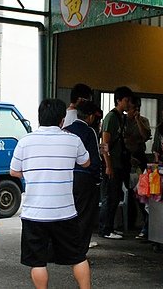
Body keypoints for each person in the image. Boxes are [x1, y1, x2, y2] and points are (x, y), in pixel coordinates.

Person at [10, 98, 91, 289]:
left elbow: (14, 171)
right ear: (62, 120)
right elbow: (86, 162)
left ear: (39, 118)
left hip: (34, 214)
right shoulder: (73, 139)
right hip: (65, 213)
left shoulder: (25, 141)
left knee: (38, 262)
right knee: (78, 257)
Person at [64, 100, 102, 255]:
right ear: (91, 117)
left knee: (68, 214)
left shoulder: (66, 130)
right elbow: (94, 159)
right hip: (84, 179)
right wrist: (97, 179)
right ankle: (79, 253)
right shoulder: (89, 131)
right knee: (84, 216)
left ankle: (64, 249)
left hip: (67, 178)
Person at [99, 86, 133, 240]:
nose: (128, 103)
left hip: (119, 163)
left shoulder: (121, 118)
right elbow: (105, 143)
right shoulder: (111, 117)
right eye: (126, 100)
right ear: (119, 100)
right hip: (112, 164)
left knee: (114, 197)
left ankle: (109, 227)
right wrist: (108, 165)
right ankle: (105, 229)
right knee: (110, 198)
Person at [124, 96, 151, 239]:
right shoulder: (122, 121)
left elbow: (145, 136)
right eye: (133, 108)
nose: (135, 111)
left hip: (140, 158)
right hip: (125, 157)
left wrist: (138, 120)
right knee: (126, 192)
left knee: (142, 192)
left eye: (137, 108)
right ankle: (127, 223)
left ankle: (144, 223)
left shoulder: (143, 120)